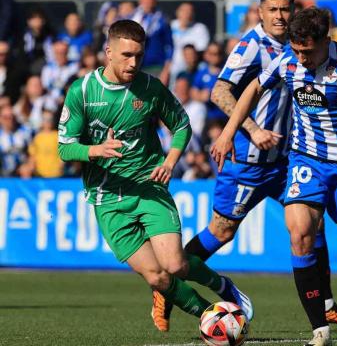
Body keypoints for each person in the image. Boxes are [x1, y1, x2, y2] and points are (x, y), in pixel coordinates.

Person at [153, 0, 337, 334]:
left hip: (288, 159)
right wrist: (251, 129)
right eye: (273, 10)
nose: (280, 16)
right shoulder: (252, 45)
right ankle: (166, 285)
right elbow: (220, 90)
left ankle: (326, 306)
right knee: (221, 231)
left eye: (285, 9)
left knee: (312, 227)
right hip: (247, 162)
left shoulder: (301, 43)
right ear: (260, 12)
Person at [212, 7, 337, 346]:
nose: (300, 58)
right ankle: (320, 330)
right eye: (296, 49)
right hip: (306, 162)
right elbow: (252, 90)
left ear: (326, 41)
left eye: (307, 51)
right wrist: (230, 131)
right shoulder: (287, 59)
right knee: (300, 232)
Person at [57, 19, 253, 331]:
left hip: (150, 190)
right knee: (157, 276)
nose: (133, 63)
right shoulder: (82, 92)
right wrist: (95, 150)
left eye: (139, 55)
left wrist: (170, 161)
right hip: (108, 200)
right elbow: (65, 148)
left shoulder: (150, 88)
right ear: (108, 52)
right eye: (126, 55)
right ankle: (211, 316)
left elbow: (182, 125)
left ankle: (222, 286)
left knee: (175, 264)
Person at [130, 0, 173, 84]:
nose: (148, 3)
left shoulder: (162, 20)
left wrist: (166, 71)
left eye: (150, 0)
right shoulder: (131, 17)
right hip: (134, 65)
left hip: (156, 67)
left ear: (155, 1)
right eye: (145, 0)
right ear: (140, 0)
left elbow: (169, 46)